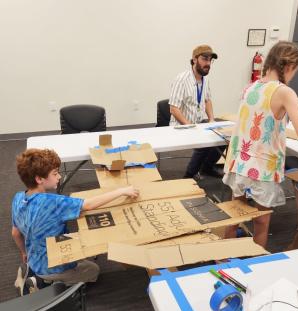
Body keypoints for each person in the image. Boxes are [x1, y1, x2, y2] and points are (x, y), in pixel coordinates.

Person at [223, 41, 298, 249]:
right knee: (261, 222)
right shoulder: (284, 92)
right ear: (289, 67)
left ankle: (224, 260)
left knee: (235, 214)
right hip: (263, 168)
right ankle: (254, 265)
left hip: (239, 162)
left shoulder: (251, 87)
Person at [12, 148, 139, 295]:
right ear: (39, 179)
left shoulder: (18, 198)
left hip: (34, 257)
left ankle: (32, 271)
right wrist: (122, 191)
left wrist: (24, 253)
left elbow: (15, 233)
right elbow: (88, 205)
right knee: (93, 270)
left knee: (77, 255)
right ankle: (44, 284)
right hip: (53, 264)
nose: (59, 176)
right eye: (55, 173)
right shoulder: (52, 202)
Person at [169, 44, 225, 178]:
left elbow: (207, 100)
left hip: (199, 123)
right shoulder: (181, 79)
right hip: (181, 126)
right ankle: (189, 176)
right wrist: (189, 125)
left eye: (210, 60)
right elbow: (173, 109)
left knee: (222, 137)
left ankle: (207, 167)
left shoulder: (206, 80)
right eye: (204, 59)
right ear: (194, 59)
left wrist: (211, 120)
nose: (208, 63)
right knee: (204, 143)